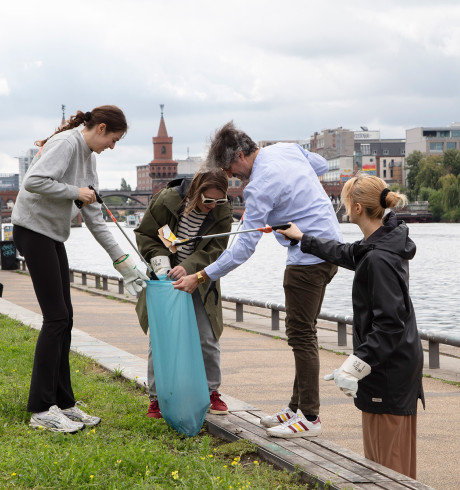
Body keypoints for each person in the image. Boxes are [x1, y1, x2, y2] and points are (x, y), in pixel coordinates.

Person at [174, 121, 342, 438]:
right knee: (304, 332)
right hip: (331, 249)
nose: (232, 176)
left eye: (230, 169)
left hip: (307, 259)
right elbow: (318, 164)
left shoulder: (259, 186)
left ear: (239, 154)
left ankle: (310, 417)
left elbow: (243, 249)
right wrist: (289, 200)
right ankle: (296, 408)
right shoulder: (286, 149)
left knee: (301, 336)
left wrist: (201, 275)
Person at [277, 173, 424, 479]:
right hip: (392, 365)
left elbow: (390, 324)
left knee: (388, 469)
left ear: (357, 208)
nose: (343, 209)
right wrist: (303, 238)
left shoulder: (379, 258)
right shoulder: (381, 241)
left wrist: (355, 366)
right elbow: (346, 253)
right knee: (386, 462)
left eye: (345, 203)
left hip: (388, 371)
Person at [12, 105, 148, 433]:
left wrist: (125, 264)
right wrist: (76, 192)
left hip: (52, 234)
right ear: (100, 128)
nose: (112, 146)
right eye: (113, 139)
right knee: (55, 318)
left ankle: (65, 404)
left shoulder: (90, 158)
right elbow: (33, 182)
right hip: (32, 230)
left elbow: (95, 218)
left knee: (66, 319)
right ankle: (41, 409)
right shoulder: (66, 144)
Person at [134, 169, 233, 419]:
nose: (212, 206)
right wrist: (162, 264)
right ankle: (156, 398)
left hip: (200, 279)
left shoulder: (222, 210)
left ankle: (211, 391)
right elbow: (146, 234)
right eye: (207, 200)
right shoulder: (166, 200)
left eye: (218, 201)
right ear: (194, 192)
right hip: (164, 279)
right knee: (160, 338)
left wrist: (189, 267)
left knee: (207, 337)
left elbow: (217, 248)